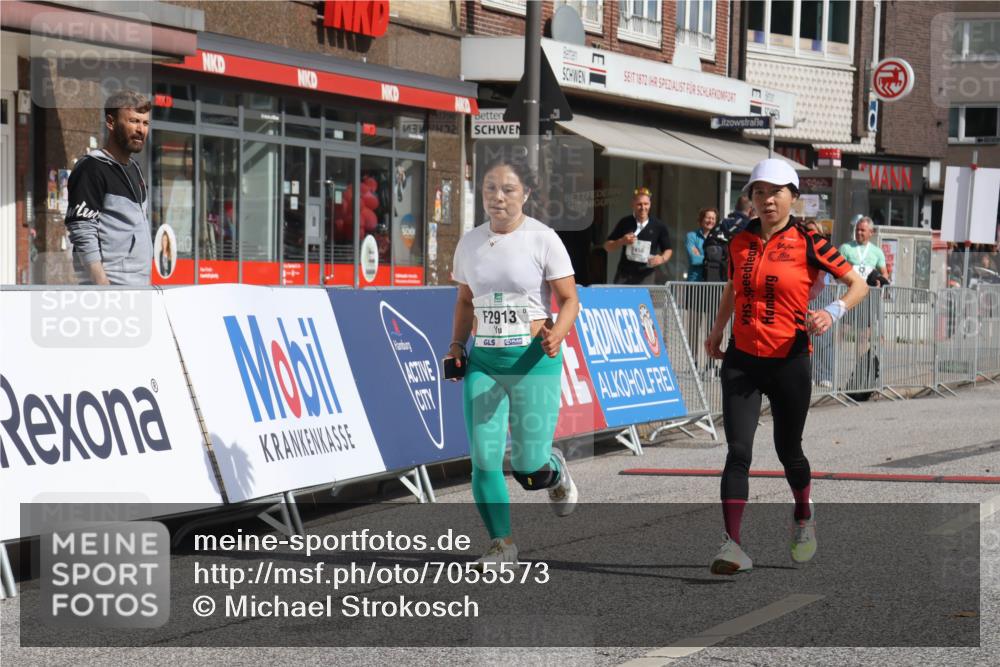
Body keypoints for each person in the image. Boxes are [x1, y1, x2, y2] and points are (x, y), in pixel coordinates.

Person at [704, 159, 869, 574]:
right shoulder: (740, 241)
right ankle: (733, 546)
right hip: (742, 359)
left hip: (789, 359)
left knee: (787, 450)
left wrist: (831, 311)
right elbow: (732, 289)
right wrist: (716, 331)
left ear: (793, 197)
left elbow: (858, 285)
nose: (767, 199)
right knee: (738, 451)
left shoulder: (810, 241)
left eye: (776, 192)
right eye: (759, 192)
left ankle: (802, 513)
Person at [445, 155, 581, 568]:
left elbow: (570, 299)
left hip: (533, 362)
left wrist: (559, 332)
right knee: (484, 457)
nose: (497, 197)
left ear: (526, 194)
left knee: (527, 467)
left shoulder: (543, 239)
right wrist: (455, 345)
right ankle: (501, 544)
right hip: (485, 361)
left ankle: (554, 470)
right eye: (490, 188)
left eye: (507, 189)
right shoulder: (470, 242)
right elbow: (465, 300)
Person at [66, 89, 152, 286]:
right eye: (133, 121)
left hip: (137, 287)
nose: (141, 129)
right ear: (111, 122)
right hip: (110, 289)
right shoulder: (92, 167)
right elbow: (82, 228)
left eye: (145, 123)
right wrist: (102, 285)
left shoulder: (135, 169)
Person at [603, 187, 673, 284]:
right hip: (624, 275)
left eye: (646, 204)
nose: (643, 208)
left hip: (646, 276)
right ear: (633, 205)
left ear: (650, 204)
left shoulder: (658, 226)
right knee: (620, 299)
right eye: (639, 204)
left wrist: (661, 258)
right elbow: (607, 247)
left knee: (643, 299)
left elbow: (668, 249)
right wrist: (622, 241)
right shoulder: (625, 223)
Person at [703, 196, 753, 282]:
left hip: (712, 276)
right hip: (735, 276)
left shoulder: (722, 222)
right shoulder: (748, 225)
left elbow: (706, 244)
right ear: (750, 210)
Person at [839, 217, 887, 283]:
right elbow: (838, 269)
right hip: (850, 289)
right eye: (857, 230)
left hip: (869, 291)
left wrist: (880, 282)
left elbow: (884, 273)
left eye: (862, 230)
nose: (859, 232)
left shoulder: (877, 251)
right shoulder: (845, 248)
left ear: (871, 232)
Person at [685, 208, 718, 282]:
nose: (711, 221)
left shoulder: (718, 239)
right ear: (701, 219)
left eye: (713, 218)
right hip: (695, 282)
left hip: (712, 283)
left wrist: (702, 257)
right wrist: (713, 259)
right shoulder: (691, 236)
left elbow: (722, 260)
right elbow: (694, 259)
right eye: (708, 218)